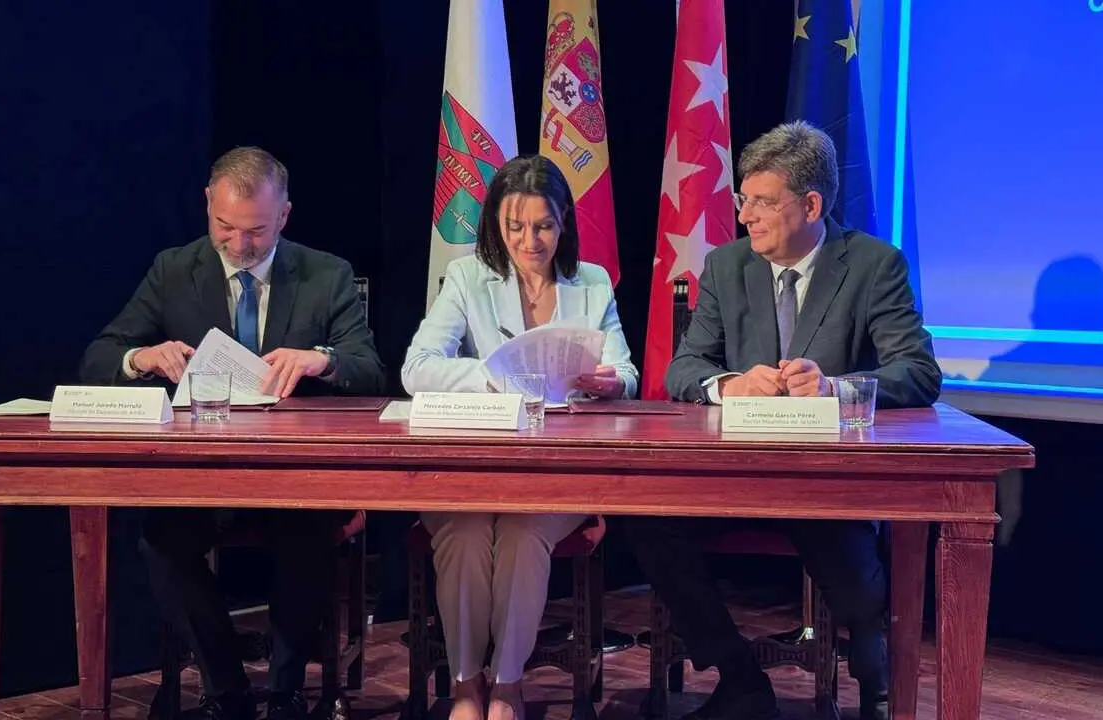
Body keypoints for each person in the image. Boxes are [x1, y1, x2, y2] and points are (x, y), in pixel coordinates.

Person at [622, 121, 941, 720]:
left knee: (851, 566)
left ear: (812, 204)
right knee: (646, 518)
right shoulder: (727, 265)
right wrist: (729, 384)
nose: (746, 215)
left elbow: (919, 373)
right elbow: (684, 366)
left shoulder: (874, 265)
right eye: (744, 200)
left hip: (826, 480)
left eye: (762, 202)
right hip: (733, 475)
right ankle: (739, 677)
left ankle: (877, 683)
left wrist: (836, 389)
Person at [80, 146, 386, 720]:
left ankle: (288, 692)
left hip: (297, 481)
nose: (240, 246)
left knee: (309, 533)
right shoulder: (174, 270)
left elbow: (370, 367)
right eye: (226, 228)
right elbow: (99, 356)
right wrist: (143, 357)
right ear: (207, 207)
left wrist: (322, 359)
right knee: (161, 540)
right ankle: (227, 691)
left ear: (285, 216)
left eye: (257, 232)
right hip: (202, 480)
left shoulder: (327, 274)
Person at [401, 154, 638, 720]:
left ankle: (507, 682)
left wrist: (609, 383)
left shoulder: (591, 283)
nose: (530, 240)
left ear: (565, 223)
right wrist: (494, 376)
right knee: (463, 531)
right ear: (495, 225)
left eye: (544, 226)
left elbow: (625, 373)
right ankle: (465, 682)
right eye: (515, 226)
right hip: (471, 471)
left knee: (522, 532)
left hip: (557, 475)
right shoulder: (467, 277)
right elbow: (417, 368)